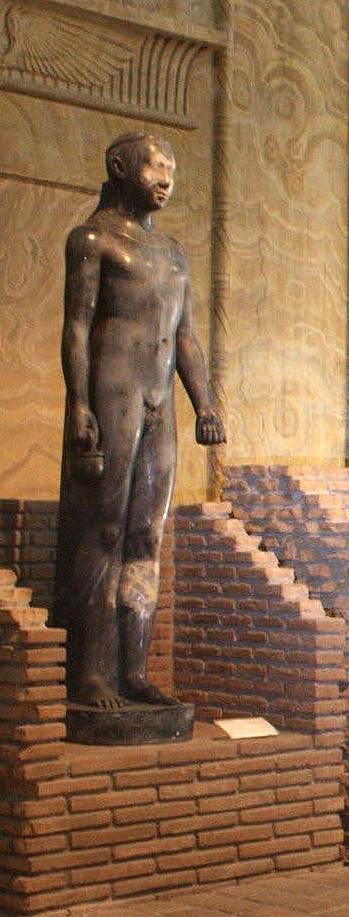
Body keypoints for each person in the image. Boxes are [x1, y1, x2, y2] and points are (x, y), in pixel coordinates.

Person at [53, 132, 225, 712]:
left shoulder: (173, 254)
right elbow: (78, 327)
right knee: (102, 531)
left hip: (158, 403)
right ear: (120, 167)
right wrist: (79, 403)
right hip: (113, 396)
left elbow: (186, 336)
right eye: (154, 166)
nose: (165, 179)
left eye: (171, 168)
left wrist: (205, 403)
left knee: (148, 535)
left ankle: (134, 671)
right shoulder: (92, 240)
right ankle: (91, 673)